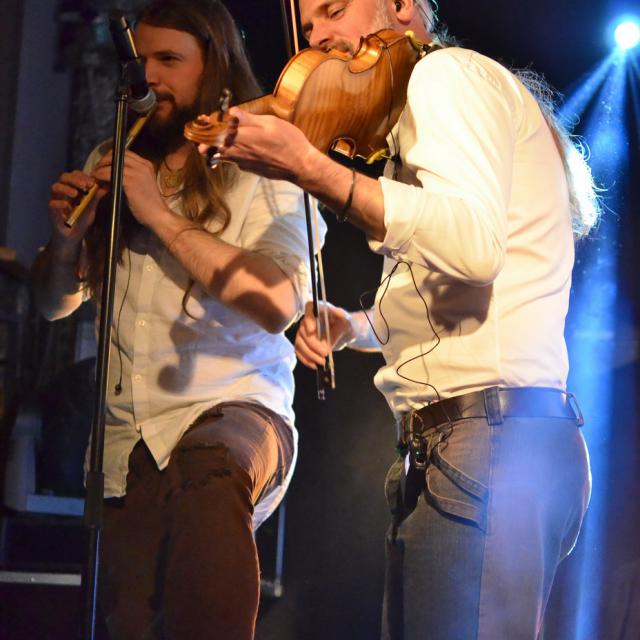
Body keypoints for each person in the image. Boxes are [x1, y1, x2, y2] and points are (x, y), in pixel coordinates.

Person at [205, 0, 600, 637]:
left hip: (489, 441)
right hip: (484, 444)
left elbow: (473, 246)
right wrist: (355, 326)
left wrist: (313, 168)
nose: (319, 37)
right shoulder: (426, 113)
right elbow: (449, 297)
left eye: (334, 9)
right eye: (308, 27)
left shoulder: (444, 76)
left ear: (401, 5)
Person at [30, 1, 323, 638]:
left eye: (169, 60)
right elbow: (54, 304)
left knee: (209, 474)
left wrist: (158, 214)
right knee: (130, 619)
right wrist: (65, 242)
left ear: (214, 66)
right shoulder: (113, 153)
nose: (150, 79)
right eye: (141, 63)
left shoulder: (264, 163)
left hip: (235, 406)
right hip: (125, 436)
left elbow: (278, 304)